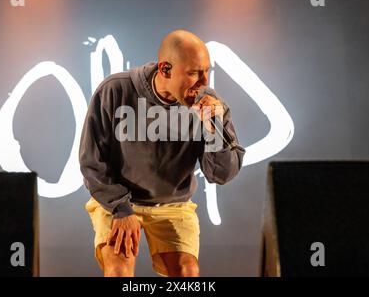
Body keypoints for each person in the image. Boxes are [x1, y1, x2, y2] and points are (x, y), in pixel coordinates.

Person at [79, 29, 245, 277]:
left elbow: (220, 174)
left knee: (187, 273)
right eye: (193, 74)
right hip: (118, 201)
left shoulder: (210, 104)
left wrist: (213, 128)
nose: (203, 83)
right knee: (118, 271)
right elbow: (92, 162)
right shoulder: (115, 90)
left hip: (173, 204)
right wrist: (121, 209)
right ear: (165, 69)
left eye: (206, 72)